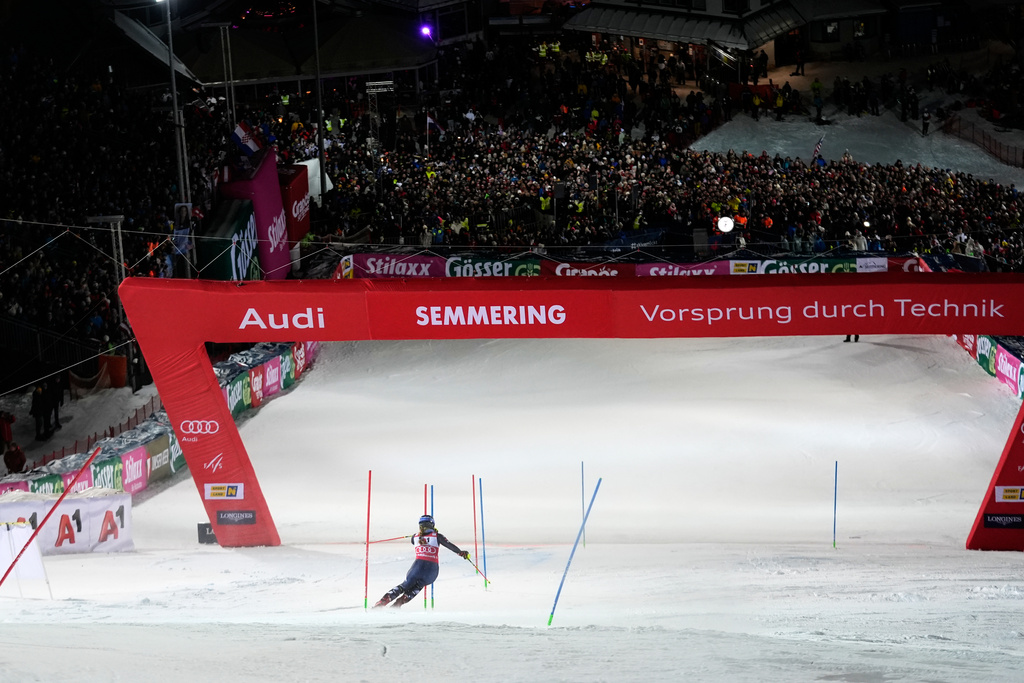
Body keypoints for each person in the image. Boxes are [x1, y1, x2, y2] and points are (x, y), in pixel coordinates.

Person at [374, 514, 470, 608]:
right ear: (432, 525)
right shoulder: (437, 536)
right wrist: (461, 553)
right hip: (431, 571)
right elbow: (449, 545)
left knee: (404, 586)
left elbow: (416, 540)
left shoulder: (414, 537)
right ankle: (397, 605)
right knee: (418, 586)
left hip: (417, 567)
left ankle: (382, 603)